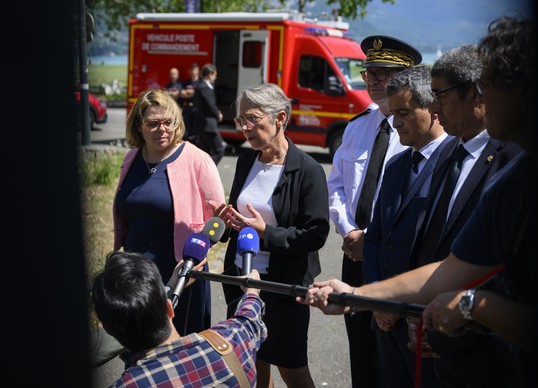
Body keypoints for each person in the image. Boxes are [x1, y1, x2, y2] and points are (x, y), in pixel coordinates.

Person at [298, 15, 538, 388]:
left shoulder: (512, 164)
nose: (436, 110)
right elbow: (456, 266)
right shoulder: (461, 159)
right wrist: (362, 295)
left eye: (489, 85)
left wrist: (470, 306)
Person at [407, 44, 524, 388]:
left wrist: (461, 317)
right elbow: (432, 241)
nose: (435, 109)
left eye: (440, 95)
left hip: (490, 349)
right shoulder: (448, 152)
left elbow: (503, 266)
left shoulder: (514, 160)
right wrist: (420, 312)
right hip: (440, 337)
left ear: (475, 93)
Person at [209, 83, 330, 388]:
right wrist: (228, 221)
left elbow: (315, 234)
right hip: (241, 279)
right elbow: (242, 217)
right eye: (241, 120)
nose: (245, 128)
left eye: (252, 119)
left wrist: (266, 233)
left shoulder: (308, 170)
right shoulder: (246, 160)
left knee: (292, 368)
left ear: (280, 118)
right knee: (251, 362)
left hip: (284, 285)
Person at [327, 34, 421, 387]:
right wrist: (349, 230)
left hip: (393, 256)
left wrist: (370, 237)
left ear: (407, 78)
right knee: (361, 350)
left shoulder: (414, 130)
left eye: (385, 74)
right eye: (370, 73)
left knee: (394, 351)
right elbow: (335, 185)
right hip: (354, 253)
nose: (375, 81)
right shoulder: (356, 126)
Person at [362, 65, 453, 388]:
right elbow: (375, 238)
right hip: (386, 320)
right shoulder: (397, 164)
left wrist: (408, 307)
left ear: (433, 109)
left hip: (424, 322)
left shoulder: (456, 164)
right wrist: (376, 299)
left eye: (404, 112)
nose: (395, 121)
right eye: (392, 112)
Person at [113, 88, 226, 336]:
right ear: (138, 125)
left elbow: (218, 220)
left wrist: (197, 259)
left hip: (182, 277)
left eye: (168, 122)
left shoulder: (197, 159)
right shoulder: (132, 158)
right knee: (139, 351)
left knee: (182, 356)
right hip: (137, 276)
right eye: (153, 123)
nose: (162, 129)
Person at [91, 250, 268, 387]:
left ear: (109, 330)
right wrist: (252, 292)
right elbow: (249, 315)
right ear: (170, 308)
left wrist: (170, 287)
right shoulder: (233, 341)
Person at [193, 63, 225, 165]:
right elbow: (211, 105)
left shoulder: (202, 87)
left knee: (205, 153)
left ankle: (203, 173)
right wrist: (218, 114)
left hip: (201, 126)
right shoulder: (205, 87)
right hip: (208, 126)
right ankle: (209, 170)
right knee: (219, 150)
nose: (215, 78)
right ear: (210, 74)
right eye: (214, 75)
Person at [179, 62, 202, 141]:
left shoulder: (200, 83)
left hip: (197, 109)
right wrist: (192, 93)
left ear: (198, 71)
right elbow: (182, 94)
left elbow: (198, 94)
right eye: (191, 70)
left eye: (195, 70)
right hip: (188, 108)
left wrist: (189, 93)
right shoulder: (186, 82)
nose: (193, 71)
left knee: (196, 129)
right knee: (187, 128)